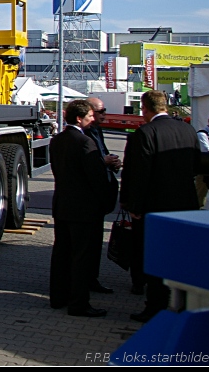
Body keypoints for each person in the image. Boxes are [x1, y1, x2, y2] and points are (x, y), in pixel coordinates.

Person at [120, 90, 200, 323]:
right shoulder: (188, 129)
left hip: (155, 207)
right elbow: (196, 165)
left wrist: (133, 205)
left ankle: (156, 306)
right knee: (181, 256)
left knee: (155, 257)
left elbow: (138, 174)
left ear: (145, 109)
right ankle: (183, 303)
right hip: (186, 205)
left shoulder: (145, 133)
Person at [49, 100, 117, 317]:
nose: (93, 118)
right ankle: (79, 303)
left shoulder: (58, 140)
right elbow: (96, 179)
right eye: (90, 115)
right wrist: (106, 200)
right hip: (83, 210)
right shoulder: (85, 143)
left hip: (63, 205)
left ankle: (58, 297)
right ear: (79, 118)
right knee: (81, 257)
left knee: (61, 253)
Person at [84, 97, 122, 294]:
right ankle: (85, 281)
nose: (104, 114)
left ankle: (93, 278)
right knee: (87, 245)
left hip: (101, 197)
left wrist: (113, 163)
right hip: (88, 200)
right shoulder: (82, 135)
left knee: (95, 243)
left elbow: (102, 154)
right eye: (100, 111)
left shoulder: (97, 131)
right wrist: (103, 162)